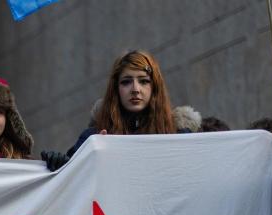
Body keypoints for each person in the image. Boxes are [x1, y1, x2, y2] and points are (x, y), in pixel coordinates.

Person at [42, 50, 181, 171]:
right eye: (126, 82)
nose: (135, 89)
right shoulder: (92, 139)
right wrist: (61, 166)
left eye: (144, 81)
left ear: (155, 87)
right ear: (115, 90)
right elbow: (73, 185)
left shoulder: (181, 137)